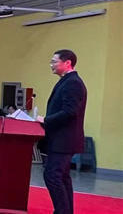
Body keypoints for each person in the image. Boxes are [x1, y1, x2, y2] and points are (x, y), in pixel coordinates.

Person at [37, 49, 87, 214]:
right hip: (62, 139)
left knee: (52, 176)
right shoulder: (67, 81)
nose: (51, 65)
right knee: (62, 177)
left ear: (67, 63)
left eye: (54, 62)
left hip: (64, 140)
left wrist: (46, 120)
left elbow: (70, 112)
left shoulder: (72, 83)